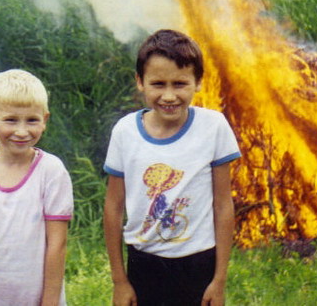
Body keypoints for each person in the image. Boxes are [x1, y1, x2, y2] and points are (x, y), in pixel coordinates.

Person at [103, 29, 241, 306]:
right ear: (140, 82)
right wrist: (120, 280)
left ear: (198, 82)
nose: (169, 96)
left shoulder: (213, 127)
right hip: (144, 263)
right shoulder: (125, 132)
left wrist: (219, 279)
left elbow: (223, 205)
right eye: (158, 84)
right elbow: (113, 208)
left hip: (199, 263)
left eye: (179, 84)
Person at [0, 69, 74, 306]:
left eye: (32, 120)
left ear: (45, 120)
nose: (21, 131)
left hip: (39, 299)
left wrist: (49, 303)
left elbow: (57, 244)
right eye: (10, 120)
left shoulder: (52, 171)